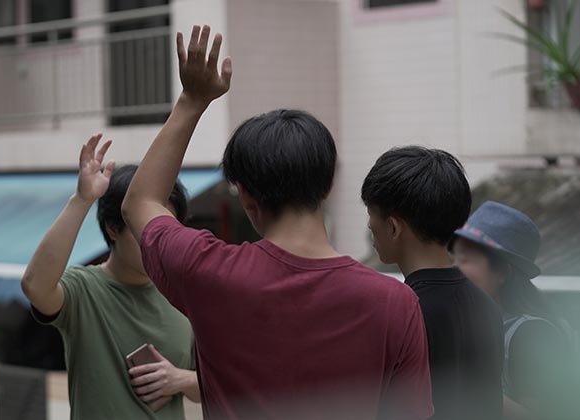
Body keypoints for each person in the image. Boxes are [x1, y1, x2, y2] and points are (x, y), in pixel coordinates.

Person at [121, 25, 433, 420]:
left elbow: (141, 202)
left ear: (247, 198)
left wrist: (193, 100)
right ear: (328, 185)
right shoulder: (397, 303)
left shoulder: (206, 272)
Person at [21, 136, 200, 420]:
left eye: (166, 230)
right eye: (144, 230)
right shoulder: (83, 290)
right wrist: (82, 200)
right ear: (113, 229)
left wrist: (181, 379)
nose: (157, 242)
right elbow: (34, 285)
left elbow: (224, 381)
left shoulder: (185, 295)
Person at [361, 146, 504, 420]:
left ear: (393, 227)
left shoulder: (400, 312)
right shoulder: (488, 305)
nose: (369, 226)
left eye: (371, 214)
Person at [452, 201, 577, 420]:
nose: (454, 268)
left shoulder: (533, 334)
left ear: (502, 272)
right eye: (454, 258)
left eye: (466, 259)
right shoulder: (475, 325)